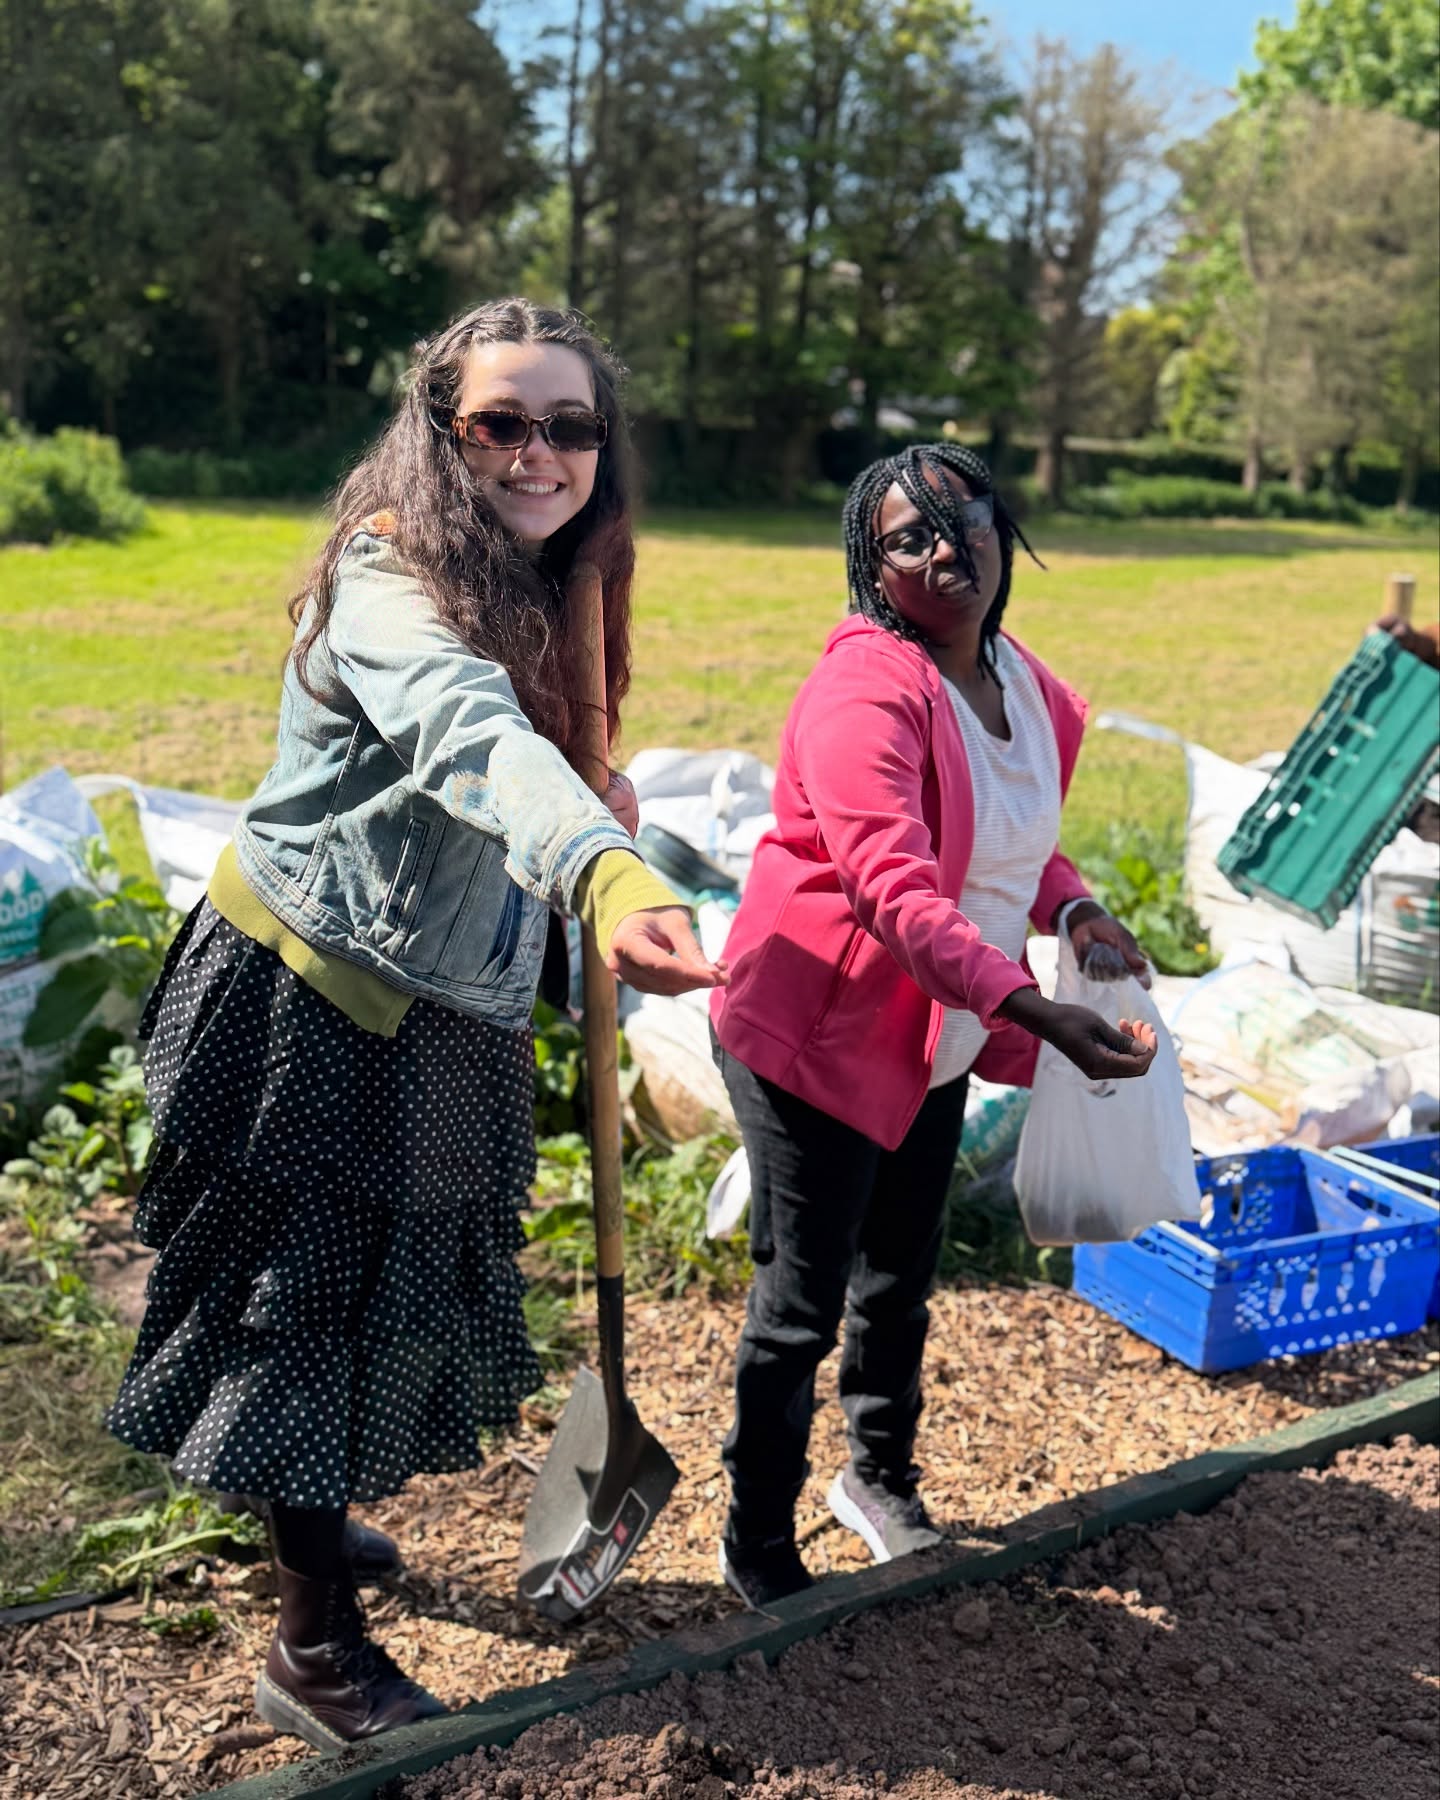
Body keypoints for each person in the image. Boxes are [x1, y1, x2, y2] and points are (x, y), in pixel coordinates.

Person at [107, 299, 726, 1749]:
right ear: (441, 431)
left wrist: (597, 806)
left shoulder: (548, 578)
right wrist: (604, 864)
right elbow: (464, 735)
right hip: (313, 997)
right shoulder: (387, 574)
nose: (539, 453)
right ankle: (313, 1646)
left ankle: (304, 1509)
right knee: (306, 1314)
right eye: (501, 421)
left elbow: (523, 768)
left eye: (571, 427)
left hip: (448, 1003)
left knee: (387, 1301)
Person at [708, 443, 1158, 1610]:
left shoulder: (1024, 686)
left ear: (1004, 528)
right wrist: (1030, 1006)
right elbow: (892, 887)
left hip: (935, 1022)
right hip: (824, 1020)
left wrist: (1077, 907)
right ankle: (755, 1541)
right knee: (802, 1304)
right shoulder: (866, 692)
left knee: (901, 1270)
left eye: (962, 520)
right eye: (910, 538)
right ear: (872, 567)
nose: (946, 551)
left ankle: (877, 1479)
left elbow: (1013, 830)